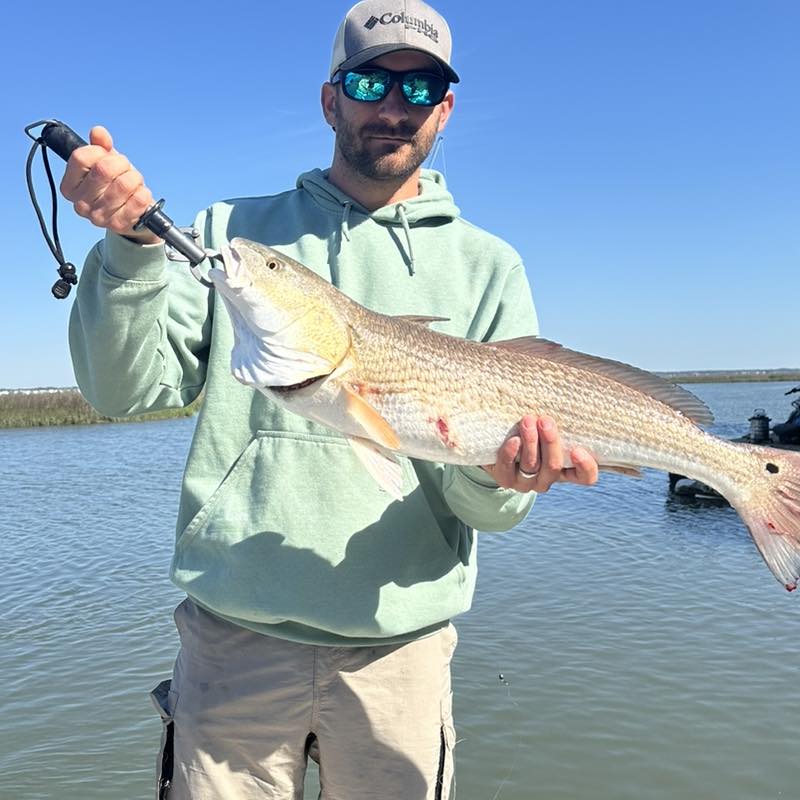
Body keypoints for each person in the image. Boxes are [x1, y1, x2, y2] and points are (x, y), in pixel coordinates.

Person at [61, 1, 599, 797]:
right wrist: (130, 249)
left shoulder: (490, 267)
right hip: (231, 641)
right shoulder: (233, 234)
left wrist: (503, 478)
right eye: (370, 83)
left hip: (402, 649)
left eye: (420, 90)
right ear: (330, 99)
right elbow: (121, 391)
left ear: (446, 110)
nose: (394, 107)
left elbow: (488, 511)